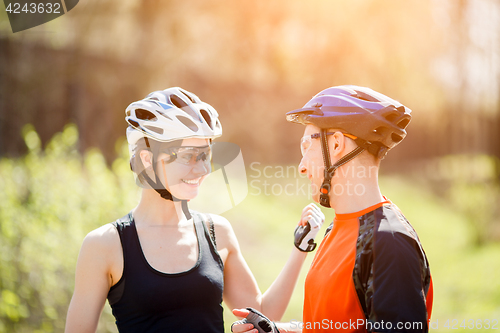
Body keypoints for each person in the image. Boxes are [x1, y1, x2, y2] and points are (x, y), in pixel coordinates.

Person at [64, 87, 325, 333]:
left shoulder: (217, 233)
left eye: (205, 155)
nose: (203, 170)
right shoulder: (105, 245)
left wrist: (300, 248)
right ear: (147, 159)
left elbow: (261, 315)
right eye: (188, 156)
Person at [231, 85, 433, 333]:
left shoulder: (388, 243)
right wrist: (277, 330)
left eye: (307, 147)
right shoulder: (338, 228)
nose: (301, 167)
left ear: (336, 144)